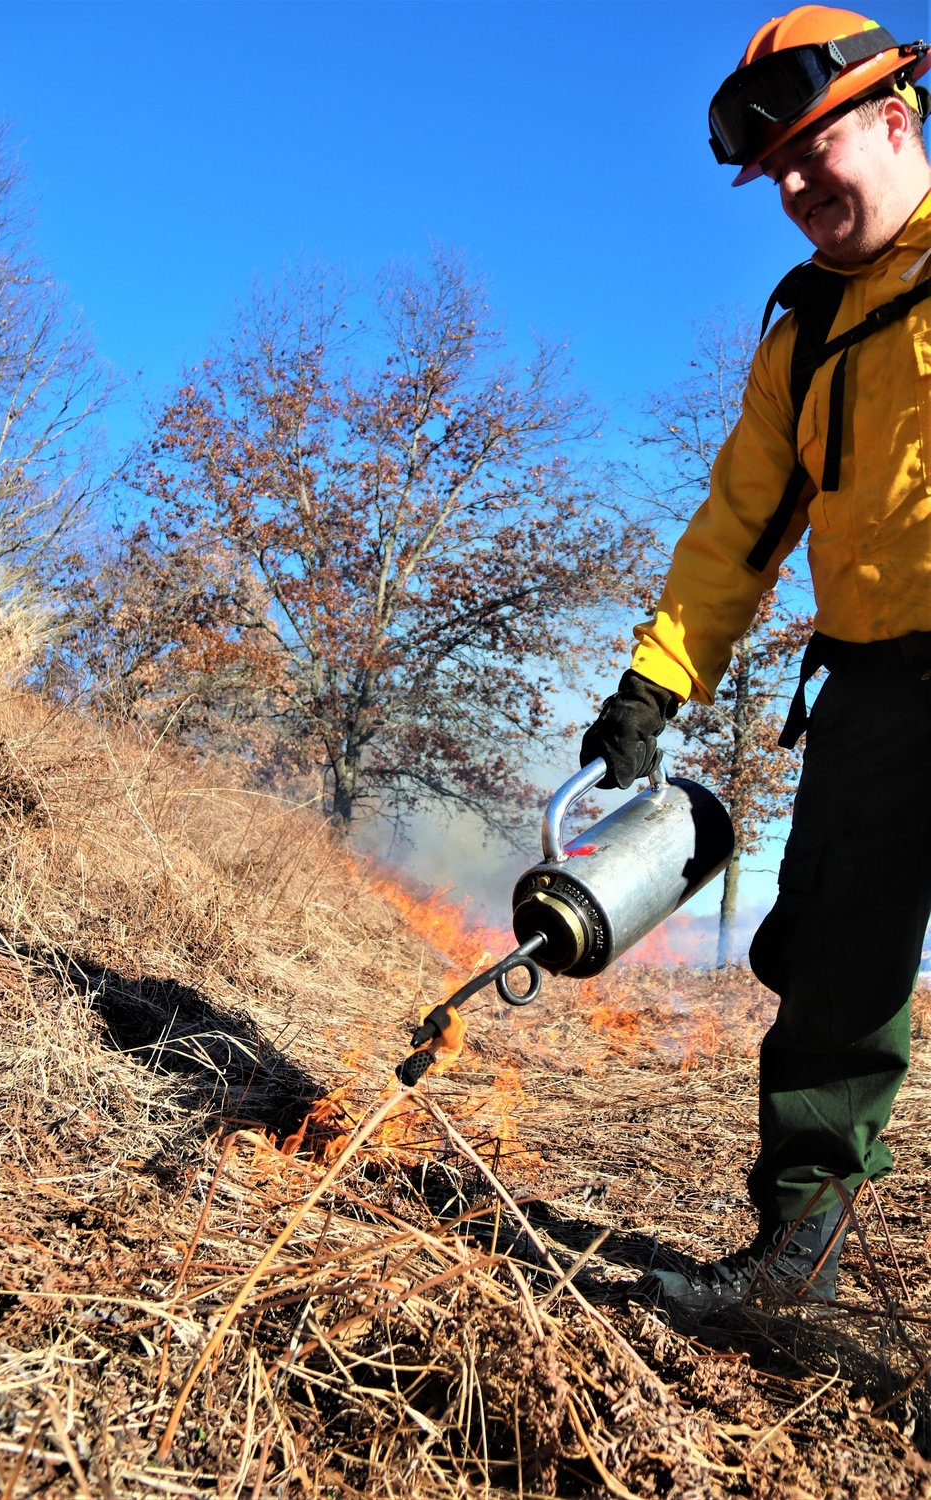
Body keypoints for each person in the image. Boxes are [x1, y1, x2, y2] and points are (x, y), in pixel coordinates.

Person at [580, 5, 931, 1312]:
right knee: (831, 970)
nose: (789, 189)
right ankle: (797, 1264)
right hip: (874, 692)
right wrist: (651, 685)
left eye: (806, 152)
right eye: (770, 170)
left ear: (898, 119)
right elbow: (737, 526)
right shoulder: (804, 332)